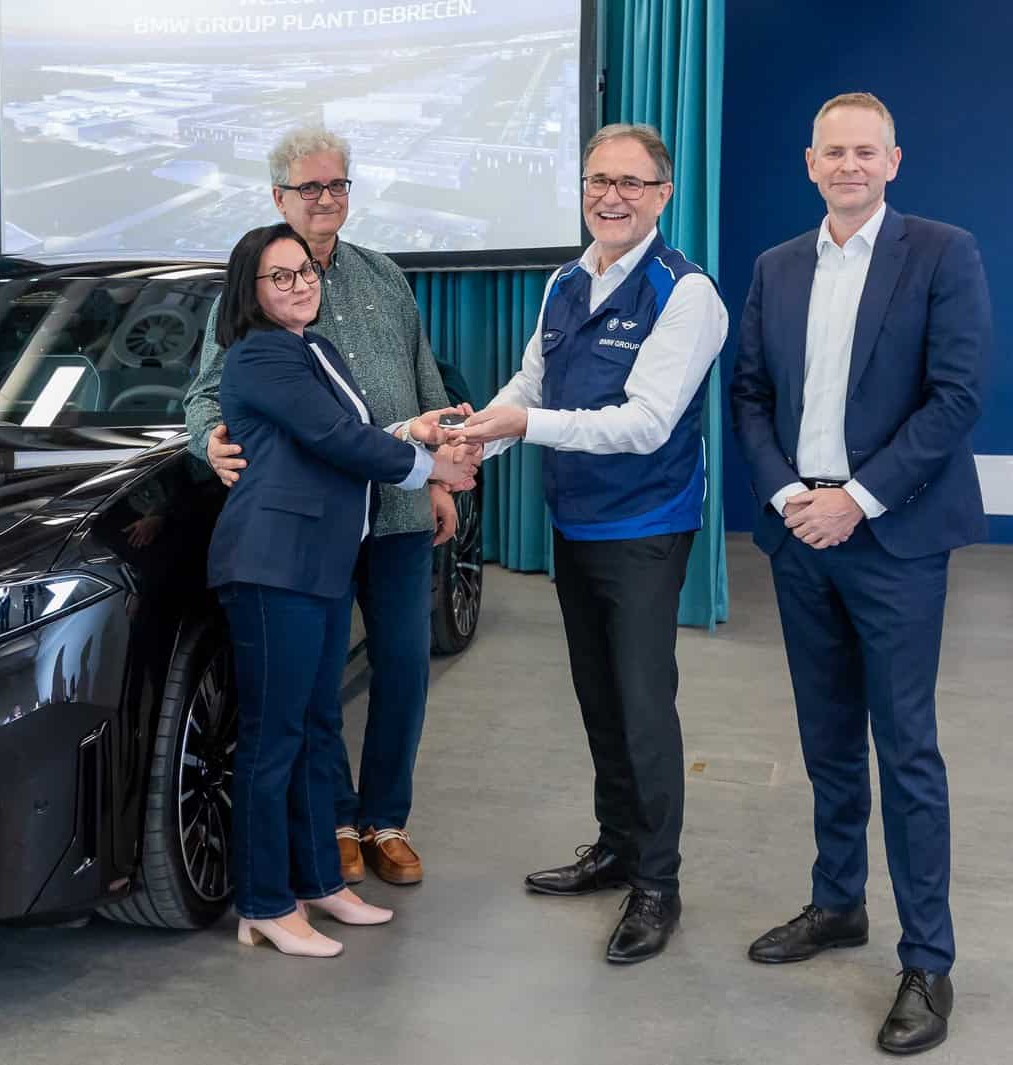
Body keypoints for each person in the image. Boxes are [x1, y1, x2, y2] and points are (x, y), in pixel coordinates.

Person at [729, 92, 991, 1055]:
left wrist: (857, 499)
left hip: (893, 539)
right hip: (800, 534)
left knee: (905, 748)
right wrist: (787, 496)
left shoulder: (942, 252)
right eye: (832, 152)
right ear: (809, 163)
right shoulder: (776, 265)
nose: (847, 165)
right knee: (827, 738)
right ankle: (837, 902)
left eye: (864, 152)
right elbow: (750, 394)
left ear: (892, 161)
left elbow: (956, 396)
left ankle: (927, 960)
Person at [460, 123, 729, 963]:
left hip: (645, 525)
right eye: (595, 181)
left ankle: (657, 884)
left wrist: (522, 425)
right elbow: (531, 384)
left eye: (629, 183)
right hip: (574, 519)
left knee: (643, 705)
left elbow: (645, 424)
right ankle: (616, 846)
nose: (609, 197)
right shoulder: (564, 281)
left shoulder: (685, 293)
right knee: (598, 696)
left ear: (662, 195)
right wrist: (474, 437)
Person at [186, 125, 462, 887]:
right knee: (317, 685)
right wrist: (207, 441)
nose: (325, 198)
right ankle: (333, 821)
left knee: (402, 668)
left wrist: (437, 483)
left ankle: (385, 819)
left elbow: (424, 379)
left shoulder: (384, 275)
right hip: (317, 525)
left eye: (336, 184)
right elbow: (206, 393)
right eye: (309, 187)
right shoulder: (256, 286)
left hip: (397, 513)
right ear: (278, 196)